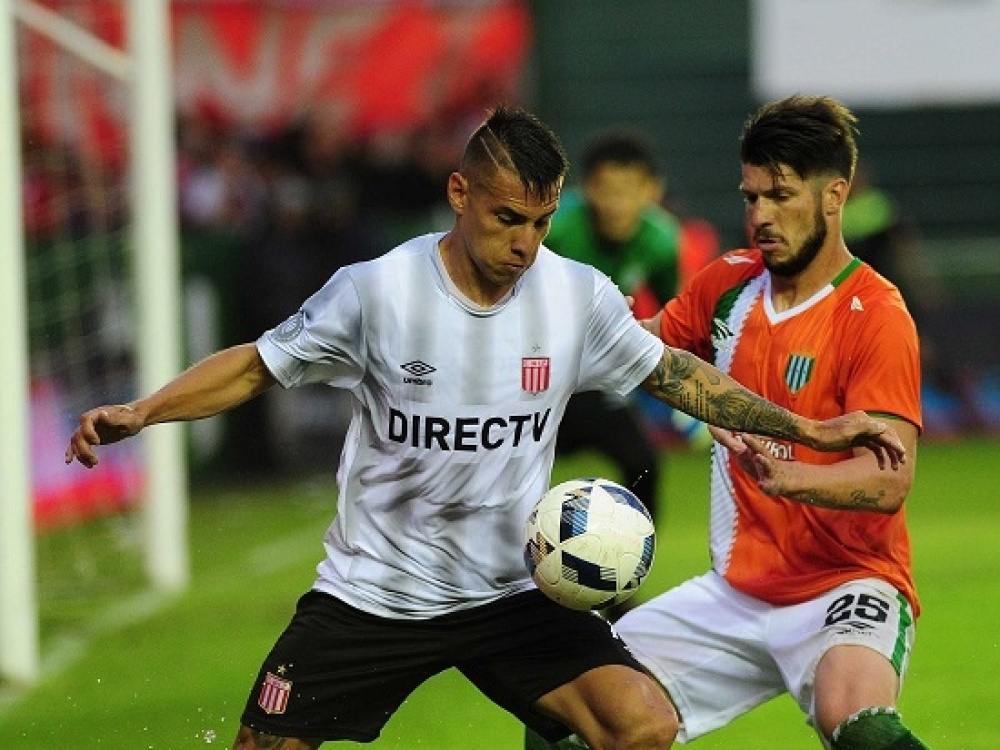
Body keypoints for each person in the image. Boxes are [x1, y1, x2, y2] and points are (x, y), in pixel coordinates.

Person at [65, 105, 905, 750]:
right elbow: (256, 364)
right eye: (508, 220)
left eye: (541, 222)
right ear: (459, 195)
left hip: (509, 592)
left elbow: (678, 375)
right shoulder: (377, 292)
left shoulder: (573, 295)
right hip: (374, 594)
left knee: (640, 723)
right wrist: (144, 410)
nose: (525, 245)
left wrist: (811, 431)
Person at [526, 95, 929, 750]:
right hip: (734, 595)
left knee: (858, 724)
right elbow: (648, 350)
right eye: (751, 196)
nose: (760, 215)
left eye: (780, 196)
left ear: (834, 195)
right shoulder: (729, 284)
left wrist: (790, 477)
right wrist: (602, 328)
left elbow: (889, 481)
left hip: (847, 585)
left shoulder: (875, 314)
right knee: (571, 710)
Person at [543, 129, 683, 548]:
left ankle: (630, 563)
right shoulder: (555, 232)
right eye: (607, 190)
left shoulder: (661, 241)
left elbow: (673, 314)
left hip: (598, 383)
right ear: (586, 189)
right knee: (507, 470)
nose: (618, 203)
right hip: (539, 380)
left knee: (643, 463)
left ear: (652, 191)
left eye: (630, 190)